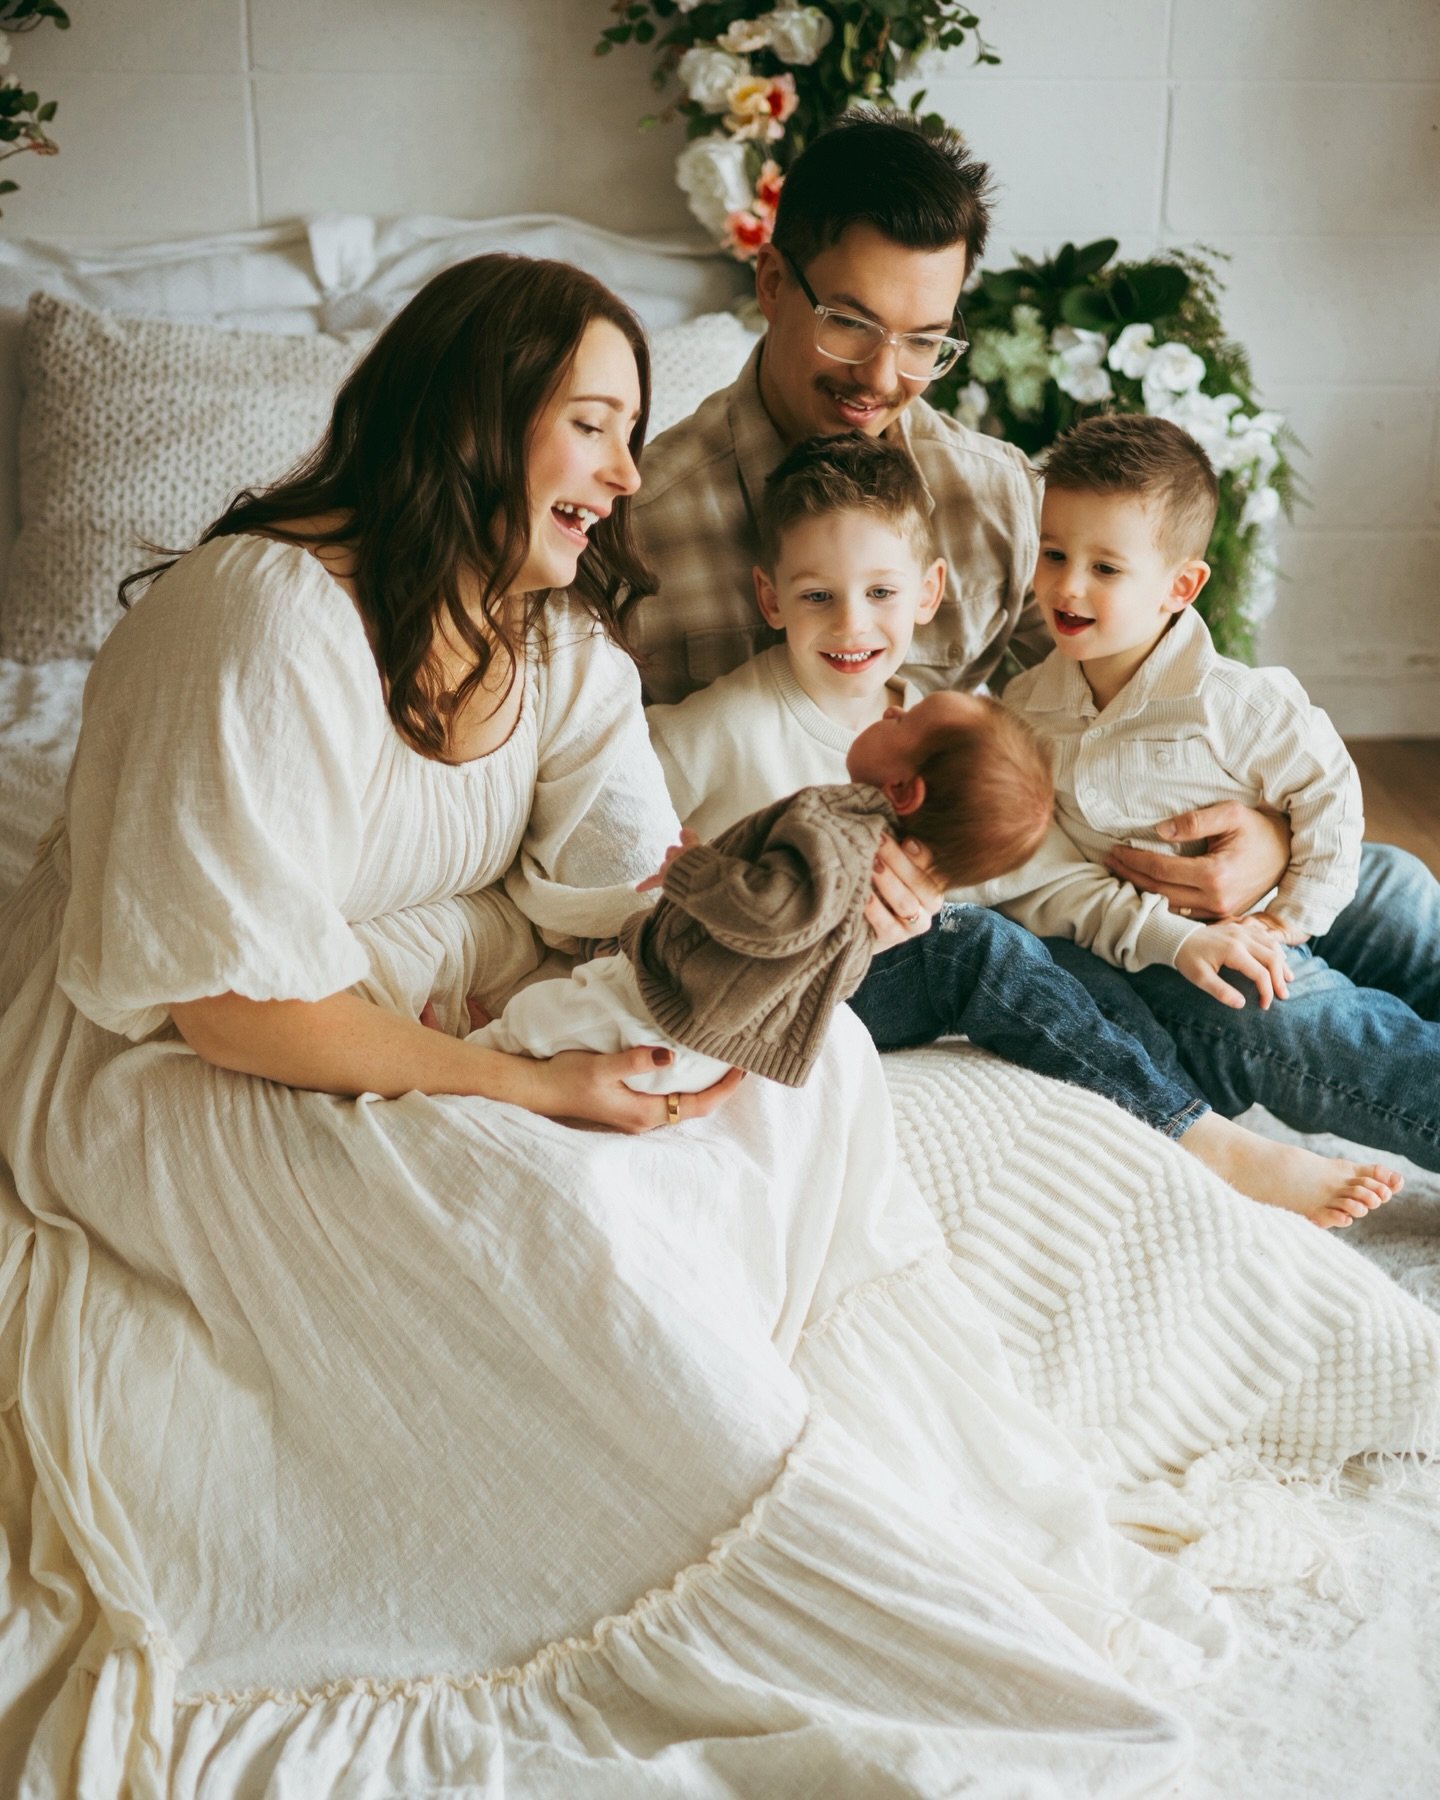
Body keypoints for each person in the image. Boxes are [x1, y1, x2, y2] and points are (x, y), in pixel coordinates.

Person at [0, 252, 1231, 1790]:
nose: (626, 473)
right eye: (591, 424)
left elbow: (627, 895)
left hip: (398, 1009)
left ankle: (840, 1497)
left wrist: (841, 887)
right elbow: (235, 1000)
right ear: (477, 412)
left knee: (816, 1073)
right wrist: (532, 1082)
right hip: (163, 1066)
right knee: (522, 1208)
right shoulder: (255, 615)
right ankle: (737, 1560)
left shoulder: (560, 643)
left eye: (632, 429)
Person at [629, 104, 1440, 1070]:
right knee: (1279, 1004)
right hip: (960, 915)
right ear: (770, 281)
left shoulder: (994, 495)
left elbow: (1085, 713)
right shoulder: (640, 528)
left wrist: (1268, 836)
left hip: (1093, 852)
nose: (883, 378)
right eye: (850, 325)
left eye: (925, 340)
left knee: (1393, 888)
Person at [647, 430, 1400, 1226]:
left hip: (1109, 913)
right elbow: (622, 849)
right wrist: (682, 881)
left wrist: (1267, 887)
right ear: (771, 599)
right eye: (815, 596)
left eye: (880, 593)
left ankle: (1197, 1098)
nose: (851, 624)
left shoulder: (947, 723)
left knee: (1394, 885)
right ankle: (1200, 1126)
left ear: (929, 591)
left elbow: (1036, 868)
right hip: (789, 973)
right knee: (1267, 1007)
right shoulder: (721, 726)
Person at [985, 412, 1439, 1176]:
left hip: (1289, 909)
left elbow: (1327, 789)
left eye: (1105, 567)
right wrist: (1226, 941)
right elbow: (1043, 879)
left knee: (1400, 890)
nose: (1066, 585)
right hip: (1173, 950)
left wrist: (1291, 918)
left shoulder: (1234, 700)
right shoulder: (1027, 713)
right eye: (1055, 554)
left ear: (1180, 586)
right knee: (1311, 1020)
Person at [471, 688, 1051, 1092]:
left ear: (903, 791)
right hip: (718, 1029)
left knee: (545, 1016)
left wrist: (692, 869)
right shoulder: (866, 858)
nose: (893, 707)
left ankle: (475, 1057)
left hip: (671, 1012)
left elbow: (773, 916)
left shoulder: (839, 831)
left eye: (905, 721)